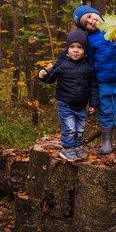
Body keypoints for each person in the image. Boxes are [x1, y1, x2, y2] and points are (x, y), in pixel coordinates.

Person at [72, 5, 116, 155]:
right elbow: (90, 61)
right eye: (86, 22)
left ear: (98, 13)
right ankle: (106, 141)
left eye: (91, 16)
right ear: (85, 28)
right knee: (105, 110)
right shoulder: (90, 40)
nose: (91, 21)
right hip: (102, 81)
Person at [38, 29, 99, 161]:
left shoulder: (89, 66)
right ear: (67, 49)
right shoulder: (62, 63)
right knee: (69, 128)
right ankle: (67, 149)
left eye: (80, 47)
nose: (75, 50)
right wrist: (43, 75)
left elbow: (93, 86)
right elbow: (51, 79)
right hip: (65, 103)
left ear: (85, 50)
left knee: (79, 129)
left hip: (81, 104)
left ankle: (77, 147)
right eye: (72, 47)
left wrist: (94, 103)